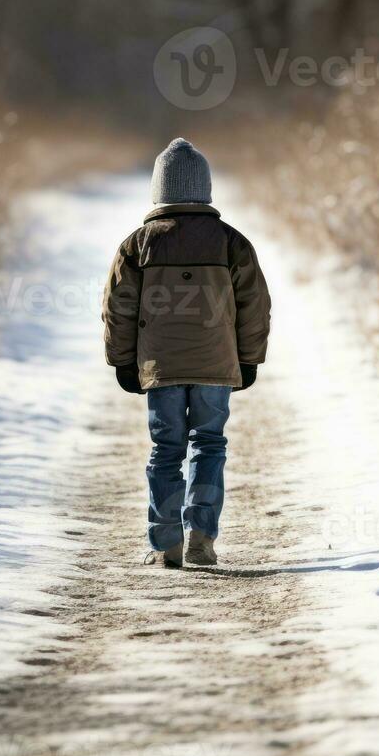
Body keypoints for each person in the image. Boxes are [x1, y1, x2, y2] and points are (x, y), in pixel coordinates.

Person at [102, 138, 272, 568]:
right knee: (209, 444)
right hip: (216, 365)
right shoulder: (232, 242)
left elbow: (117, 308)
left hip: (161, 368)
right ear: (206, 189)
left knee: (166, 450)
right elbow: (255, 304)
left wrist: (122, 360)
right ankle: (201, 534)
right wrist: (248, 357)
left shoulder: (138, 244)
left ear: (159, 191)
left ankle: (165, 543)